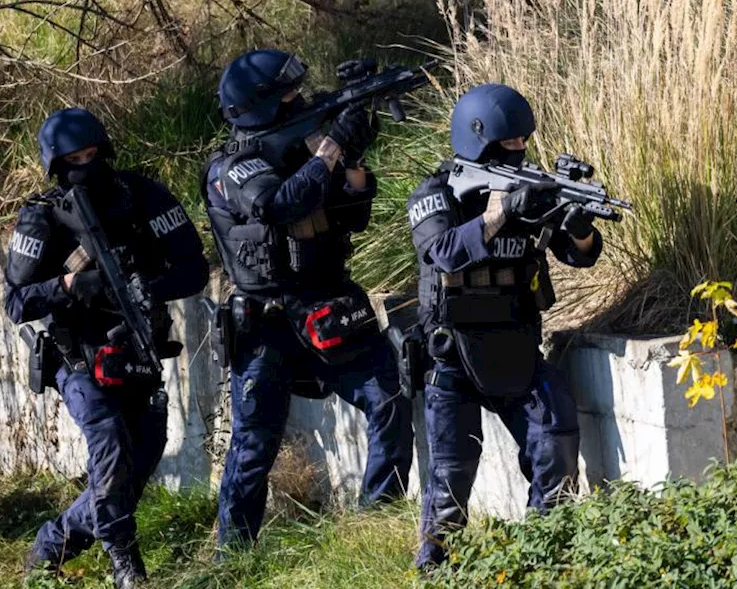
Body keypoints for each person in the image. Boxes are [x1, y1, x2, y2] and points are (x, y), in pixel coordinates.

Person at [201, 49, 414, 550]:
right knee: (254, 446)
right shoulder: (232, 168)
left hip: (328, 306)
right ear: (258, 108)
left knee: (389, 398)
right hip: (266, 323)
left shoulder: (304, 150)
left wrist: (353, 160)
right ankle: (232, 559)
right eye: (288, 95)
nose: (300, 100)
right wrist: (331, 147)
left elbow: (353, 214)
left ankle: (375, 526)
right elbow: (280, 203)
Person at [5, 108, 209, 587]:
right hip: (77, 356)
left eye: (93, 154)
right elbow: (16, 301)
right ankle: (126, 564)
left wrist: (147, 287)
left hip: (137, 351)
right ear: (56, 165)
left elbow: (194, 269)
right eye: (75, 159)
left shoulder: (143, 196)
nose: (86, 164)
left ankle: (54, 543)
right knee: (111, 447)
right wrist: (71, 284)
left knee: (141, 459)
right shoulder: (41, 217)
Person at [405, 83, 603, 569]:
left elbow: (583, 258)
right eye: (507, 146)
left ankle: (543, 557)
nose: (519, 152)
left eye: (522, 143)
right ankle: (435, 570)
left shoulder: (530, 193)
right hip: (452, 356)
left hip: (515, 348)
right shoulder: (436, 193)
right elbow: (442, 252)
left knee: (555, 441)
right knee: (452, 473)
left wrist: (577, 228)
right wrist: (497, 215)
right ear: (478, 144)